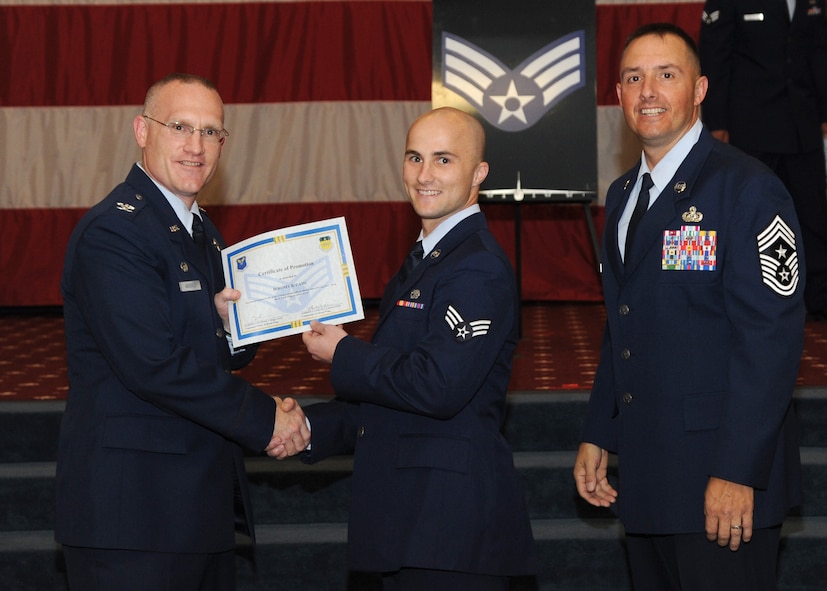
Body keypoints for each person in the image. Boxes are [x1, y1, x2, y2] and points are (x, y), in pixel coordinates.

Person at [56, 73, 311, 590]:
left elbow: (205, 346)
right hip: (133, 519)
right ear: (142, 131)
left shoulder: (201, 232)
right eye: (180, 127)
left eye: (211, 132)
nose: (196, 146)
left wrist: (231, 326)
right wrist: (267, 419)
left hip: (192, 508)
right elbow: (153, 365)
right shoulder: (116, 232)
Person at [573, 23, 804, 591]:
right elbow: (621, 324)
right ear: (620, 95)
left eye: (666, 75)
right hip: (650, 480)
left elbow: (769, 343)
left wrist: (735, 470)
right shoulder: (624, 197)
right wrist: (601, 429)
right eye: (634, 78)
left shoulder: (748, 189)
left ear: (699, 90)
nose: (648, 91)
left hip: (721, 484)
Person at [300, 107, 537, 590]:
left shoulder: (477, 268)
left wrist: (343, 352)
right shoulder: (425, 260)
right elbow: (391, 398)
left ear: (479, 173)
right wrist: (304, 429)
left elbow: (436, 385)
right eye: (414, 157)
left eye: (444, 160)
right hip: (411, 523)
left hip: (450, 532)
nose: (424, 175)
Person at [699, 0, 827, 320]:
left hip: (802, 124)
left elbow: (818, 51)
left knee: (812, 216)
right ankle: (741, 296)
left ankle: (818, 298)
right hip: (751, 127)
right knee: (747, 217)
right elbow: (715, 56)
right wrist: (716, 122)